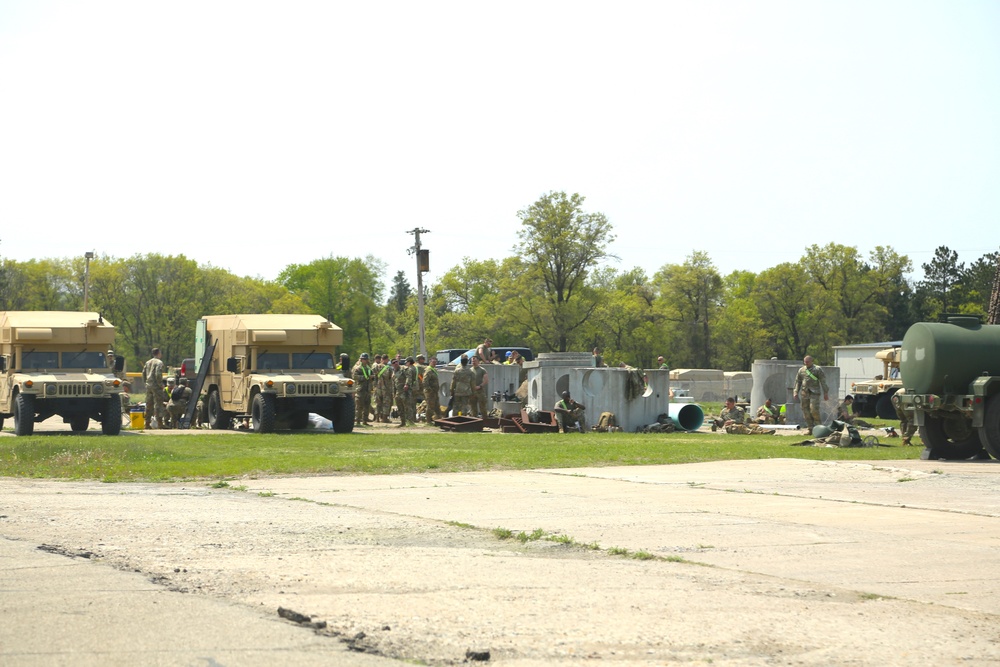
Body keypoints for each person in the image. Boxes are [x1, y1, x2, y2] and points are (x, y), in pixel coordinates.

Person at [793, 355, 830, 432]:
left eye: (807, 362)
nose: (806, 363)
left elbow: (823, 381)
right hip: (804, 393)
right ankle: (810, 428)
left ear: (811, 361)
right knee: (805, 410)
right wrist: (795, 391)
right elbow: (798, 381)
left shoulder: (817, 369)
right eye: (805, 362)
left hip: (815, 392)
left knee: (814, 410)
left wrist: (825, 392)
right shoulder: (801, 370)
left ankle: (819, 427)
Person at [142, 348, 168, 430]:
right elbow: (158, 374)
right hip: (156, 386)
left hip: (148, 385)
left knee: (149, 404)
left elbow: (143, 373)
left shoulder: (148, 362)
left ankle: (147, 423)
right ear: (158, 353)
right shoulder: (159, 362)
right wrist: (161, 384)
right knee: (158, 404)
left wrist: (145, 382)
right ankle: (160, 423)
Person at [393, 356, 416, 427]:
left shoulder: (404, 369)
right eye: (393, 362)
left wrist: (406, 384)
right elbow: (393, 383)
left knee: (407, 406)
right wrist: (393, 393)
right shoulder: (394, 372)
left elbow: (409, 377)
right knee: (400, 408)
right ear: (392, 364)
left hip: (404, 391)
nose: (395, 363)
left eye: (396, 362)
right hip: (398, 392)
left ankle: (410, 422)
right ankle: (403, 422)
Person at [352, 353, 373, 426]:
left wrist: (372, 377)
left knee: (367, 405)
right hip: (360, 389)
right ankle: (357, 421)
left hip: (367, 389)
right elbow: (354, 377)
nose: (365, 360)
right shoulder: (358, 368)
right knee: (359, 406)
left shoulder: (369, 368)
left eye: (366, 359)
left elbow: (372, 376)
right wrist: (365, 377)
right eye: (363, 359)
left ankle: (365, 420)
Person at [375, 354, 394, 423]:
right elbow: (390, 377)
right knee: (386, 402)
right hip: (386, 387)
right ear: (386, 359)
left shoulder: (376, 366)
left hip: (378, 387)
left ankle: (377, 418)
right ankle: (384, 418)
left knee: (378, 402)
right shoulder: (388, 368)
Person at [422, 356, 441, 422]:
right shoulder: (428, 370)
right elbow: (424, 381)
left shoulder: (434, 369)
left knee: (436, 406)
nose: (434, 363)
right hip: (430, 392)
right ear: (430, 362)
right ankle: (428, 420)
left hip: (435, 392)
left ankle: (439, 419)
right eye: (433, 362)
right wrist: (429, 390)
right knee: (430, 406)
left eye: (435, 362)